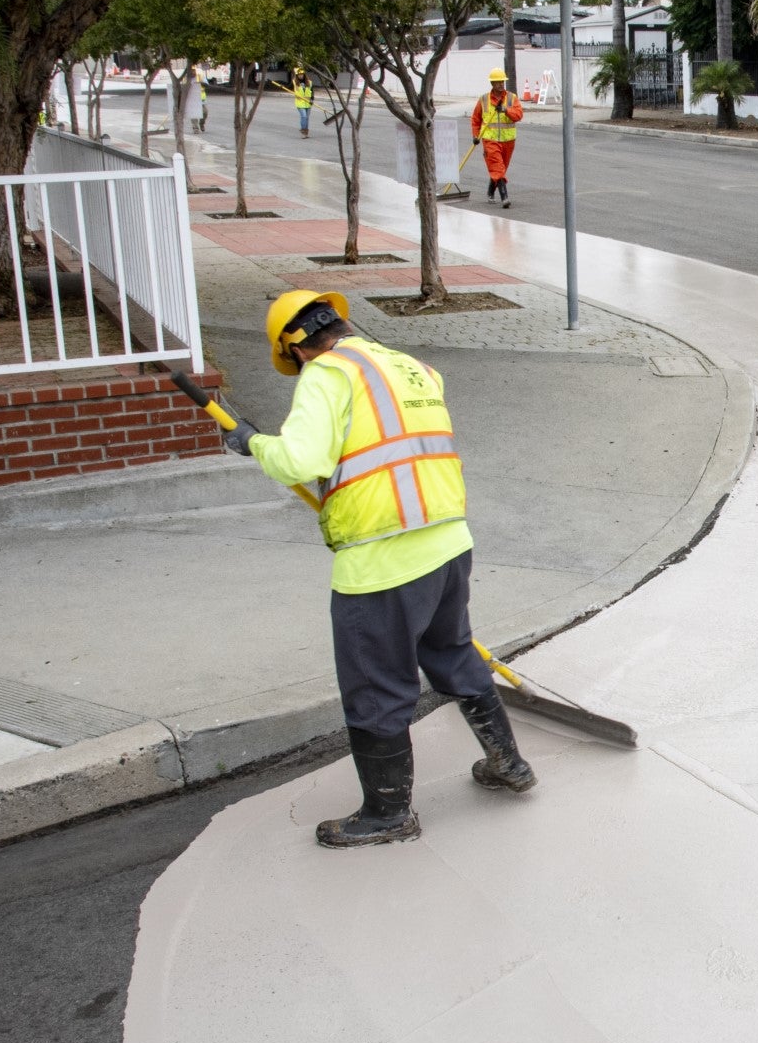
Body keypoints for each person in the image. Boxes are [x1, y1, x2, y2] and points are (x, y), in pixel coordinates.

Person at [222, 290, 538, 848]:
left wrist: (252, 442)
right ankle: (508, 763)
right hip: (447, 541)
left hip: (382, 559)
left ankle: (388, 814)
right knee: (452, 653)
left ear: (294, 348)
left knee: (376, 684)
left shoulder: (326, 374)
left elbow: (301, 460)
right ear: (341, 321)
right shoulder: (413, 368)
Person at [472, 68, 524, 207]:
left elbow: (519, 115)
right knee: (497, 167)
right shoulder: (483, 100)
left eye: (502, 81)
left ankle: (490, 190)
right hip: (490, 140)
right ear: (492, 83)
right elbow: (476, 120)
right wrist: (475, 136)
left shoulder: (512, 98)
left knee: (501, 168)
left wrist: (506, 110)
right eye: (498, 82)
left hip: (508, 141)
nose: (501, 84)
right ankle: (504, 197)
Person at [291, 69, 314, 137]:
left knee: (306, 118)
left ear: (304, 75)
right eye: (299, 75)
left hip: (308, 103)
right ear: (297, 76)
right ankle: (303, 130)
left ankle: (306, 132)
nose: (301, 76)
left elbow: (312, 92)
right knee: (303, 116)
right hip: (300, 103)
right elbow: (289, 87)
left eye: (302, 74)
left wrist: (312, 99)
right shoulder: (295, 82)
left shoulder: (309, 82)